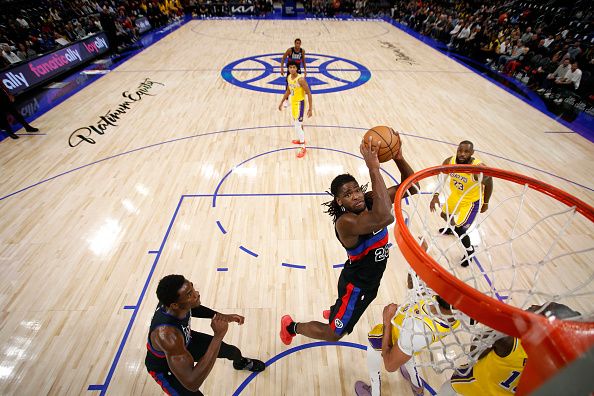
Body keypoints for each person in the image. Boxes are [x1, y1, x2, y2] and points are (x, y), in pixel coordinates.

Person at [280, 135, 418, 345]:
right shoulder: (346, 222)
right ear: (339, 201)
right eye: (348, 194)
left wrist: (398, 157)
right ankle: (291, 326)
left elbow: (412, 188)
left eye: (356, 190)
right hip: (356, 287)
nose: (355, 196)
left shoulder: (371, 199)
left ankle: (337, 312)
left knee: (341, 316)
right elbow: (385, 217)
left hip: (370, 281)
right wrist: (374, 168)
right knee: (334, 334)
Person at [145, 275, 265, 395]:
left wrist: (223, 316)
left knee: (232, 351)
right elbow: (192, 382)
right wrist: (218, 336)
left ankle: (240, 363)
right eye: (189, 294)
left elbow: (192, 308)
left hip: (184, 342)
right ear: (174, 305)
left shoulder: (175, 303)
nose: (196, 293)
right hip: (165, 368)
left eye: (192, 288)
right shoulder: (167, 336)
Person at [437, 302, 581, 396]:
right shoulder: (559, 369)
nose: (533, 305)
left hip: (463, 389)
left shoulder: (510, 339)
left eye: (539, 308)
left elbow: (476, 349)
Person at [355, 295, 460, 396]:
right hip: (408, 345)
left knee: (374, 370)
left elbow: (389, 366)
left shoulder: (418, 330)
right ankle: (418, 388)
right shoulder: (455, 315)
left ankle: (374, 392)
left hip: (383, 341)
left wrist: (387, 320)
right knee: (409, 360)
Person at [429, 140, 493, 267]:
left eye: (466, 152)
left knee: (461, 229)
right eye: (460, 150)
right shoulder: (450, 162)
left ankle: (470, 252)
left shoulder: (477, 168)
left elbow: (489, 181)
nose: (462, 154)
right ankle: (453, 229)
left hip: (470, 202)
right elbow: (442, 178)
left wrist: (485, 203)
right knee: (444, 215)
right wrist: (435, 195)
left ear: (472, 153)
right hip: (456, 196)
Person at [278, 60, 312, 158]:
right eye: (290, 67)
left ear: (297, 68)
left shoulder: (300, 79)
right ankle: (302, 139)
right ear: (288, 68)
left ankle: (303, 147)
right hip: (293, 103)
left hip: (300, 104)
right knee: (298, 124)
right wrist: (282, 101)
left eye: (294, 67)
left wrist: (310, 108)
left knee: (297, 125)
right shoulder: (289, 77)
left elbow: (309, 93)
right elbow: (288, 90)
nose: (292, 69)